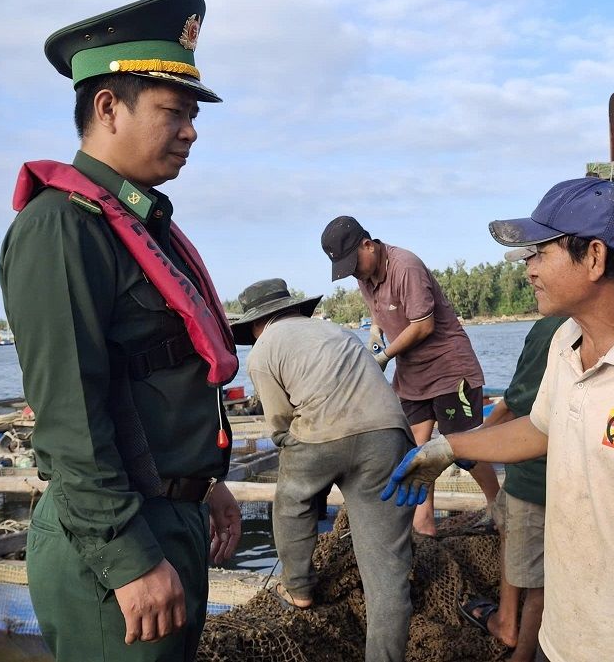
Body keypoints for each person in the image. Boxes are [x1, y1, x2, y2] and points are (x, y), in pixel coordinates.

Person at [382, 177, 614, 662]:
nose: (527, 269)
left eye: (539, 252)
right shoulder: (566, 341)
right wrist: (451, 447)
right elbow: (540, 428)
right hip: (566, 634)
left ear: (594, 257)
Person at [0, 0, 242, 662]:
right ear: (108, 107)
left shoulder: (136, 226)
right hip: (117, 538)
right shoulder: (60, 229)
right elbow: (69, 415)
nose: (190, 131)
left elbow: (158, 379)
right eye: (173, 112)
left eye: (192, 115)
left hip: (170, 517)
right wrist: (129, 559)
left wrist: (206, 482)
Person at [230, 278, 415, 662]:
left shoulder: (263, 350)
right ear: (294, 309)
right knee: (387, 575)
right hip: (388, 434)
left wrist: (302, 472)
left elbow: (280, 425)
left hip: (319, 432)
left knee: (291, 501)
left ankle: (298, 588)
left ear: (255, 324)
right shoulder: (336, 330)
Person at [321, 216, 501, 537]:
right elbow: (378, 319)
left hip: (450, 371)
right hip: (412, 374)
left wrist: (385, 356)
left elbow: (422, 326)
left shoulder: (406, 266)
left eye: (354, 263)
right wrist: (375, 342)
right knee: (414, 450)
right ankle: (424, 520)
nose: (355, 273)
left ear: (368, 245)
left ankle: (497, 505)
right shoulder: (365, 278)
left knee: (465, 449)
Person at [461, 314, 564, 658]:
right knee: (511, 530)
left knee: (538, 581)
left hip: (534, 478)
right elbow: (515, 399)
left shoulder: (553, 328)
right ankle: (507, 617)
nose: (532, 272)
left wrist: (466, 444)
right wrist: (478, 438)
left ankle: (519, 649)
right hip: (563, 476)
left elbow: (519, 401)